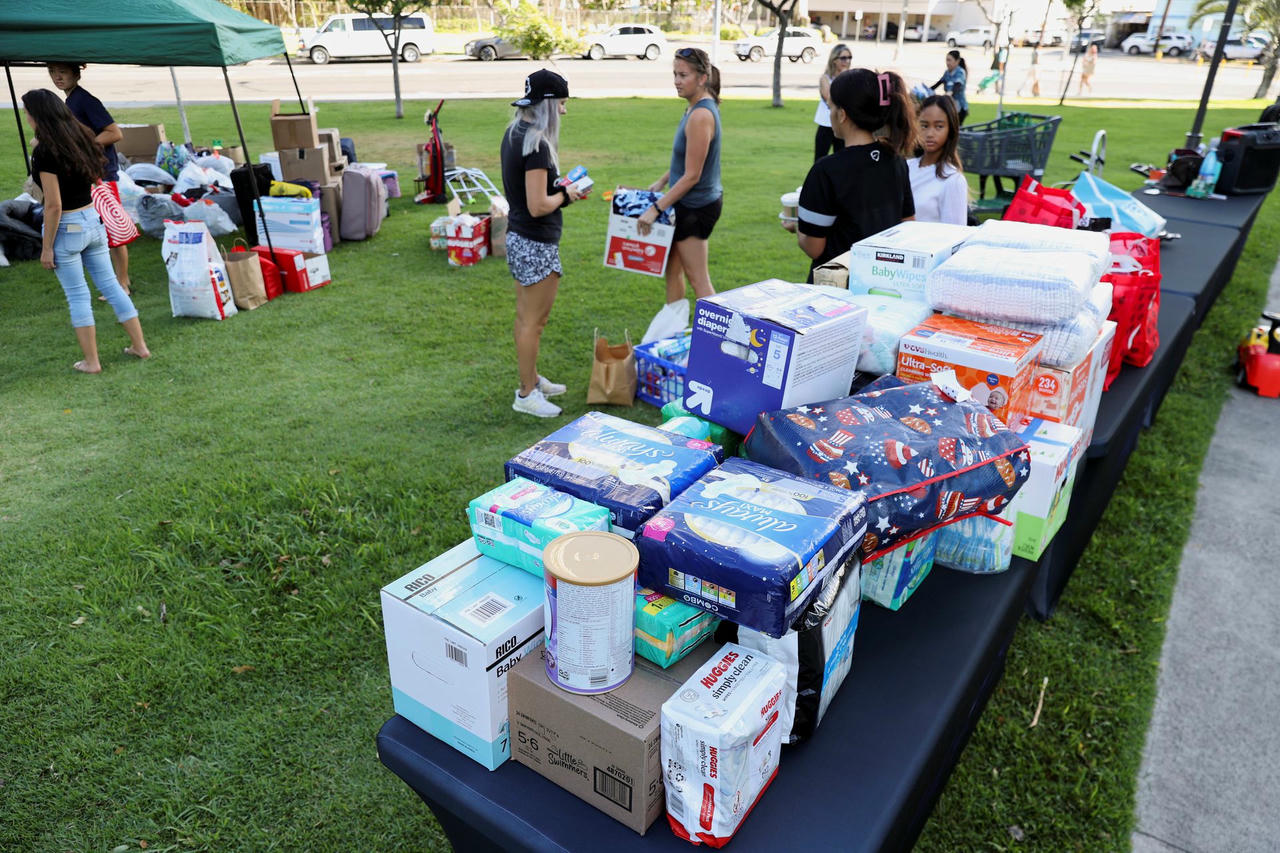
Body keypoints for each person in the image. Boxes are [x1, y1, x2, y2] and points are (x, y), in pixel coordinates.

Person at [22, 89, 149, 373]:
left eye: (27, 112)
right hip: (93, 219)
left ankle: (92, 362)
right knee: (111, 286)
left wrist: (46, 248)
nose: (26, 118)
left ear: (38, 116)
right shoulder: (80, 137)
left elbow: (53, 205)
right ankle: (140, 346)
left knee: (78, 296)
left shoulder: (45, 152)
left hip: (68, 226)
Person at [500, 70, 584, 418]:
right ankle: (526, 394)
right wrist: (566, 195)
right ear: (547, 104)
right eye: (561, 103)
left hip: (520, 237)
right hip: (535, 242)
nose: (564, 111)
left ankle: (532, 379)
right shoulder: (537, 144)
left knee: (525, 319)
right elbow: (538, 205)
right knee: (533, 323)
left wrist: (558, 189)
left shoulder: (514, 132)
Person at [796, 69, 917, 278]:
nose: (830, 114)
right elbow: (908, 223)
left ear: (842, 114)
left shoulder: (827, 170)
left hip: (837, 285)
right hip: (882, 279)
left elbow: (813, 247)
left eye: (831, 107)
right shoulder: (896, 161)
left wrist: (798, 229)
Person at [637, 47, 722, 340]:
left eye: (683, 75)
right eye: (675, 74)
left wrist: (655, 209)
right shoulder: (693, 108)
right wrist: (662, 180)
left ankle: (720, 341)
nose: (676, 80)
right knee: (672, 269)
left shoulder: (701, 115)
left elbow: (693, 175)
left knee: (700, 282)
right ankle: (671, 336)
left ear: (702, 78)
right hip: (686, 202)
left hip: (696, 208)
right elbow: (687, 160)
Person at [46, 62, 132, 298]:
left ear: (76, 73)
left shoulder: (85, 100)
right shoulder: (70, 101)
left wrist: (81, 146)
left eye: (62, 72)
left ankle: (123, 283)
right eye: (52, 72)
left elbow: (115, 133)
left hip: (103, 176)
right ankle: (117, 281)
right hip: (90, 174)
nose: (57, 77)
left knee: (112, 229)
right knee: (100, 228)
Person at [908, 95, 969, 225]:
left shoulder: (953, 179)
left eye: (939, 126)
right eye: (924, 126)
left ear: (950, 130)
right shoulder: (906, 167)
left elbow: (954, 232)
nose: (930, 134)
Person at [814, 44, 852, 161]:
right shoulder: (825, 78)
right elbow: (829, 99)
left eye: (849, 57)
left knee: (842, 160)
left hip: (842, 125)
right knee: (820, 160)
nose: (847, 61)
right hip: (826, 124)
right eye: (843, 58)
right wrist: (843, 77)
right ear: (834, 60)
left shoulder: (850, 78)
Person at [930, 50, 969, 125]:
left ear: (957, 61)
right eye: (946, 60)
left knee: (954, 127)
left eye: (949, 60)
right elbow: (939, 82)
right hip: (950, 105)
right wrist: (928, 89)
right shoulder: (947, 72)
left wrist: (950, 92)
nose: (947, 63)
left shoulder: (960, 72)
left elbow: (958, 85)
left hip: (959, 107)